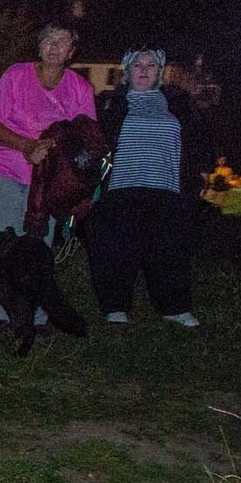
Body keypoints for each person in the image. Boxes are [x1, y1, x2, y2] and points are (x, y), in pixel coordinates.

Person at [0, 22, 97, 326]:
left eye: (63, 42)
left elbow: (88, 138)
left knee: (39, 247)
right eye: (49, 40)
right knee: (3, 241)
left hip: (51, 181)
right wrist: (26, 146)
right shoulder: (16, 76)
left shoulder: (80, 89)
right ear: (39, 46)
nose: (55, 47)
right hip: (5, 168)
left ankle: (36, 314)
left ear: (71, 52)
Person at [86, 48, 201, 326]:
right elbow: (93, 142)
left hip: (166, 190)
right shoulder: (110, 102)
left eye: (151, 65)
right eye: (138, 64)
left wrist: (199, 175)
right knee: (117, 250)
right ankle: (115, 307)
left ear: (159, 72)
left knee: (168, 251)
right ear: (127, 70)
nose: (144, 70)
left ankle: (174, 307)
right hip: (121, 189)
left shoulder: (178, 104)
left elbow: (197, 143)